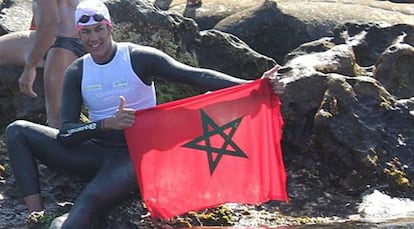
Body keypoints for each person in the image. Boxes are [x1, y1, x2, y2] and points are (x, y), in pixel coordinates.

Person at [5, 1, 285, 228]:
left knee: (87, 203)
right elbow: (66, 133)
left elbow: (194, 76)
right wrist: (103, 125)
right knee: (17, 130)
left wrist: (253, 86)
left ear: (110, 27)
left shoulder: (138, 57)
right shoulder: (77, 71)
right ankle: (37, 216)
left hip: (135, 157)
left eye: (99, 29)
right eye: (86, 32)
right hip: (94, 151)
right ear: (79, 35)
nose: (93, 38)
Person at [0, 0, 87, 128]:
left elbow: (50, 22)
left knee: (57, 121)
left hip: (67, 44)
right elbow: (42, 13)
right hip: (62, 38)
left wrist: (30, 67)